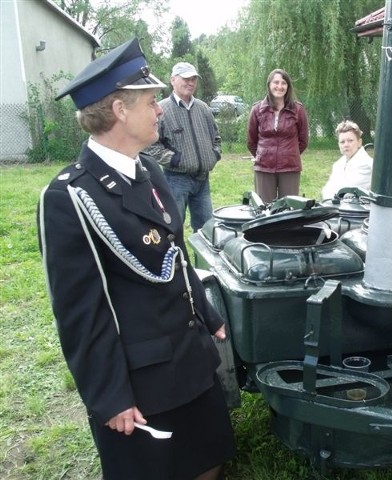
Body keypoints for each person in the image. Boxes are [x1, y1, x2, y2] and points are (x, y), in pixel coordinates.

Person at [37, 38, 235, 480]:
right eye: (150, 100)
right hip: (143, 378)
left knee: (208, 459)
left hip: (189, 356)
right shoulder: (70, 196)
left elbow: (175, 256)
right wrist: (109, 395)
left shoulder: (150, 170)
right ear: (120, 110)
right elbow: (78, 310)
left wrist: (206, 312)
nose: (160, 108)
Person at [145, 62, 221, 232]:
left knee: (206, 230)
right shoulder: (161, 110)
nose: (190, 82)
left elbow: (216, 137)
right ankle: (177, 259)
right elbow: (150, 146)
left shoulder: (203, 108)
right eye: (186, 78)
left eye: (193, 79)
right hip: (175, 180)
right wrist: (174, 159)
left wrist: (215, 154)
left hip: (203, 179)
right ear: (173, 80)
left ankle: (202, 259)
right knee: (174, 227)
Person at [247, 68, 309, 202]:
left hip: (290, 167)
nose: (279, 86)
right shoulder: (257, 109)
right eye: (276, 82)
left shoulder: (298, 110)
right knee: (264, 209)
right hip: (263, 167)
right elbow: (251, 141)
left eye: (283, 83)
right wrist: (263, 155)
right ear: (269, 85)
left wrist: (288, 154)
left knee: (288, 210)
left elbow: (303, 141)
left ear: (288, 86)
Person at [321, 120, 373, 199]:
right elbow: (326, 190)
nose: (346, 145)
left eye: (350, 141)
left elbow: (346, 193)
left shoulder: (367, 165)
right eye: (342, 142)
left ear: (359, 142)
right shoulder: (338, 164)